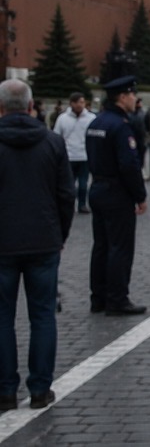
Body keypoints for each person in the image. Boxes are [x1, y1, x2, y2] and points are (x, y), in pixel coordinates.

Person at [0, 79, 74, 411]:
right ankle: (40, 389)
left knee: (2, 318)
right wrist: (61, 234)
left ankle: (5, 391)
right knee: (43, 316)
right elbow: (66, 196)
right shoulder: (53, 142)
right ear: (32, 107)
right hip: (44, 240)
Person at [85, 76, 148, 316]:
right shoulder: (121, 126)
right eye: (132, 94)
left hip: (98, 188)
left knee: (100, 246)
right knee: (120, 247)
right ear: (122, 97)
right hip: (117, 192)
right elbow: (129, 166)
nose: (135, 99)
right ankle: (117, 299)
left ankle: (98, 297)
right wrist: (140, 195)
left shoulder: (97, 122)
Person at [53, 91, 95, 214]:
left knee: (83, 183)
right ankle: (69, 204)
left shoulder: (91, 118)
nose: (80, 105)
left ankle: (82, 204)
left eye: (82, 102)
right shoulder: (63, 118)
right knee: (68, 184)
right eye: (77, 102)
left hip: (84, 155)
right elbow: (57, 136)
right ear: (71, 103)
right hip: (68, 155)